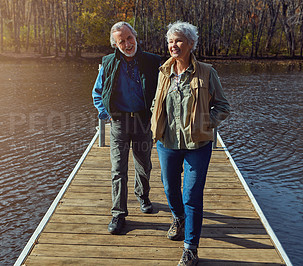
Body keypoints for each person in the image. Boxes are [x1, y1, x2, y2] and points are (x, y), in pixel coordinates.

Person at [151, 21, 230, 265]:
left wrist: (206, 124)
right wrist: (155, 117)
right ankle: (178, 218)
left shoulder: (207, 72)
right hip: (167, 142)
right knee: (169, 189)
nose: (173, 45)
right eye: (170, 41)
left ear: (191, 44)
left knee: (192, 195)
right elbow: (156, 102)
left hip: (198, 145)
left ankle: (190, 248)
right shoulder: (163, 72)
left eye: (179, 41)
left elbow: (223, 107)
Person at [92, 22, 161, 235]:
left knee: (144, 163)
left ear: (135, 36)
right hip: (119, 122)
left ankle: (143, 196)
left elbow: (163, 91)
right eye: (121, 41)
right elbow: (97, 93)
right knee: (118, 168)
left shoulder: (153, 62)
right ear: (115, 44)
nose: (127, 44)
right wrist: (108, 116)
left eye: (129, 38)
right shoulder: (108, 63)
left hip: (142, 120)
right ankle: (118, 213)